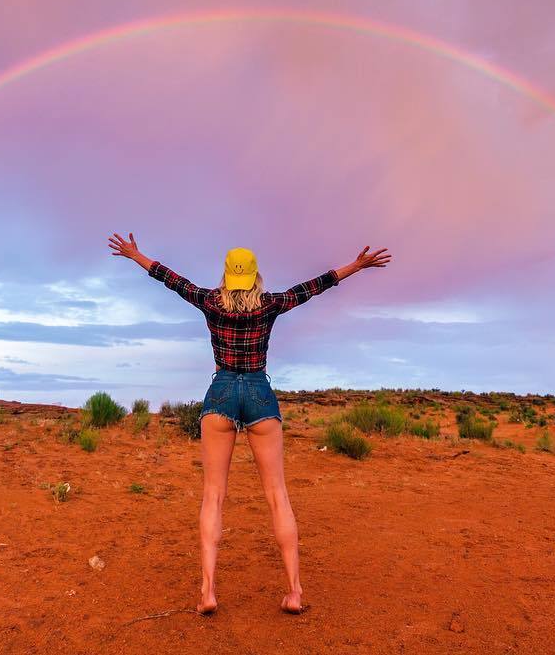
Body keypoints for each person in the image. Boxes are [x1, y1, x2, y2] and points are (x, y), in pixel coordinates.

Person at [107, 232, 392, 615]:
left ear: (226, 276)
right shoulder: (269, 305)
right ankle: (294, 592)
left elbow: (171, 279)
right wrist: (355, 267)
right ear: (256, 276)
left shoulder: (210, 301)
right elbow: (313, 287)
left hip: (221, 390)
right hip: (259, 391)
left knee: (213, 496)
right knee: (277, 495)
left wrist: (136, 255)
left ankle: (208, 591)